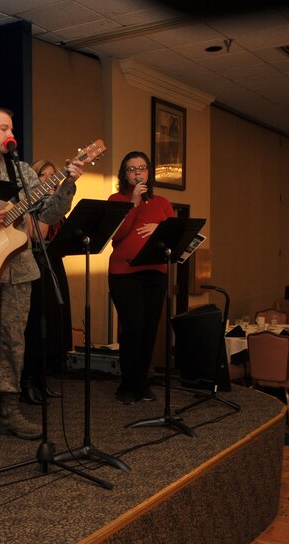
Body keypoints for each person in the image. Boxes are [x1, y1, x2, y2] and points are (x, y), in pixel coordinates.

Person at [0, 107, 83, 457]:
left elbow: (49, 215)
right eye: (4, 126)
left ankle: (8, 412)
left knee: (13, 343)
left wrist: (68, 182)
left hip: (19, 269)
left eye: (11, 126)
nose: (11, 131)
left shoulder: (22, 171)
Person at [108, 151, 175, 405]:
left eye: (142, 168)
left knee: (149, 330)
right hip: (125, 275)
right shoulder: (117, 199)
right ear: (124, 175)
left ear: (149, 173)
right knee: (133, 328)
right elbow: (118, 234)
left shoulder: (162, 203)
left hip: (156, 273)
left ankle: (141, 382)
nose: (137, 172)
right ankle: (128, 384)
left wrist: (160, 228)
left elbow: (176, 233)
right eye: (131, 169)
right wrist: (133, 204)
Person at [19, 159, 73, 404]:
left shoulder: (57, 206)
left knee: (51, 322)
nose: (51, 180)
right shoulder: (30, 204)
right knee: (34, 324)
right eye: (44, 175)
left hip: (53, 263)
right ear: (34, 179)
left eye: (54, 175)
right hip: (35, 262)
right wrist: (43, 202)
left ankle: (42, 379)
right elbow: (34, 233)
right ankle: (27, 381)